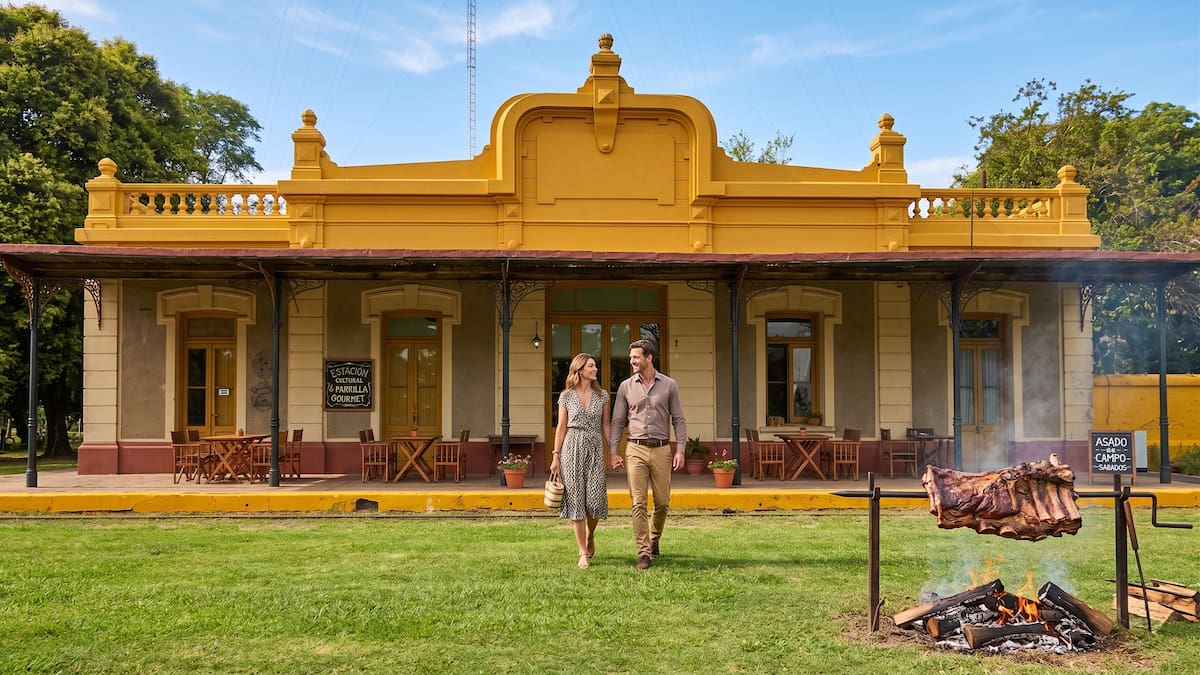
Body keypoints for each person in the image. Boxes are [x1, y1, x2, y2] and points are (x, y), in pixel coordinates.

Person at [608, 339, 687, 570]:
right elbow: (617, 421)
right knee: (638, 503)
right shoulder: (625, 387)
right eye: (631, 357)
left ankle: (654, 537)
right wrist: (613, 451)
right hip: (635, 449)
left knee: (662, 502)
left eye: (636, 357)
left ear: (649, 358)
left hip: (662, 449)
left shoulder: (669, 385)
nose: (632, 361)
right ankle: (643, 553)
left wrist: (680, 449)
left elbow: (679, 419)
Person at [550, 353, 613, 569]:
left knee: (595, 500)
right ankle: (582, 552)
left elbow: (606, 425)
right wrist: (555, 456)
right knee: (575, 500)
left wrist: (613, 451)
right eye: (591, 366)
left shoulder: (602, 395)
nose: (595, 369)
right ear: (580, 370)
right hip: (571, 448)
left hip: (595, 447)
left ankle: (590, 534)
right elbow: (561, 427)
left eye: (595, 366)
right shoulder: (566, 396)